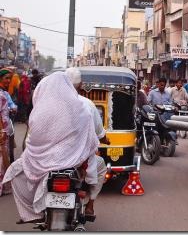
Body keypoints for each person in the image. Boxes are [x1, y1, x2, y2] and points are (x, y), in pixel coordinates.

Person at [2, 72, 99, 223]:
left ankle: (32, 213)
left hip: (42, 162)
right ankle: (90, 205)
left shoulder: (39, 112)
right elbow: (91, 139)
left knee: (15, 172)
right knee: (94, 162)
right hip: (74, 161)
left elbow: (32, 141)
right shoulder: (82, 109)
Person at [65, 67, 108, 218]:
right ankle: (90, 205)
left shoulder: (51, 102)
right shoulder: (87, 104)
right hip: (79, 159)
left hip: (53, 157)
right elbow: (100, 133)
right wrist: (105, 140)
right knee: (101, 165)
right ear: (81, 85)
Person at [0, 69, 13, 196]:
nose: (8, 81)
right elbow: (2, 115)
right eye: (6, 78)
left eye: (10, 78)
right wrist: (3, 131)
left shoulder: (4, 94)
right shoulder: (1, 96)